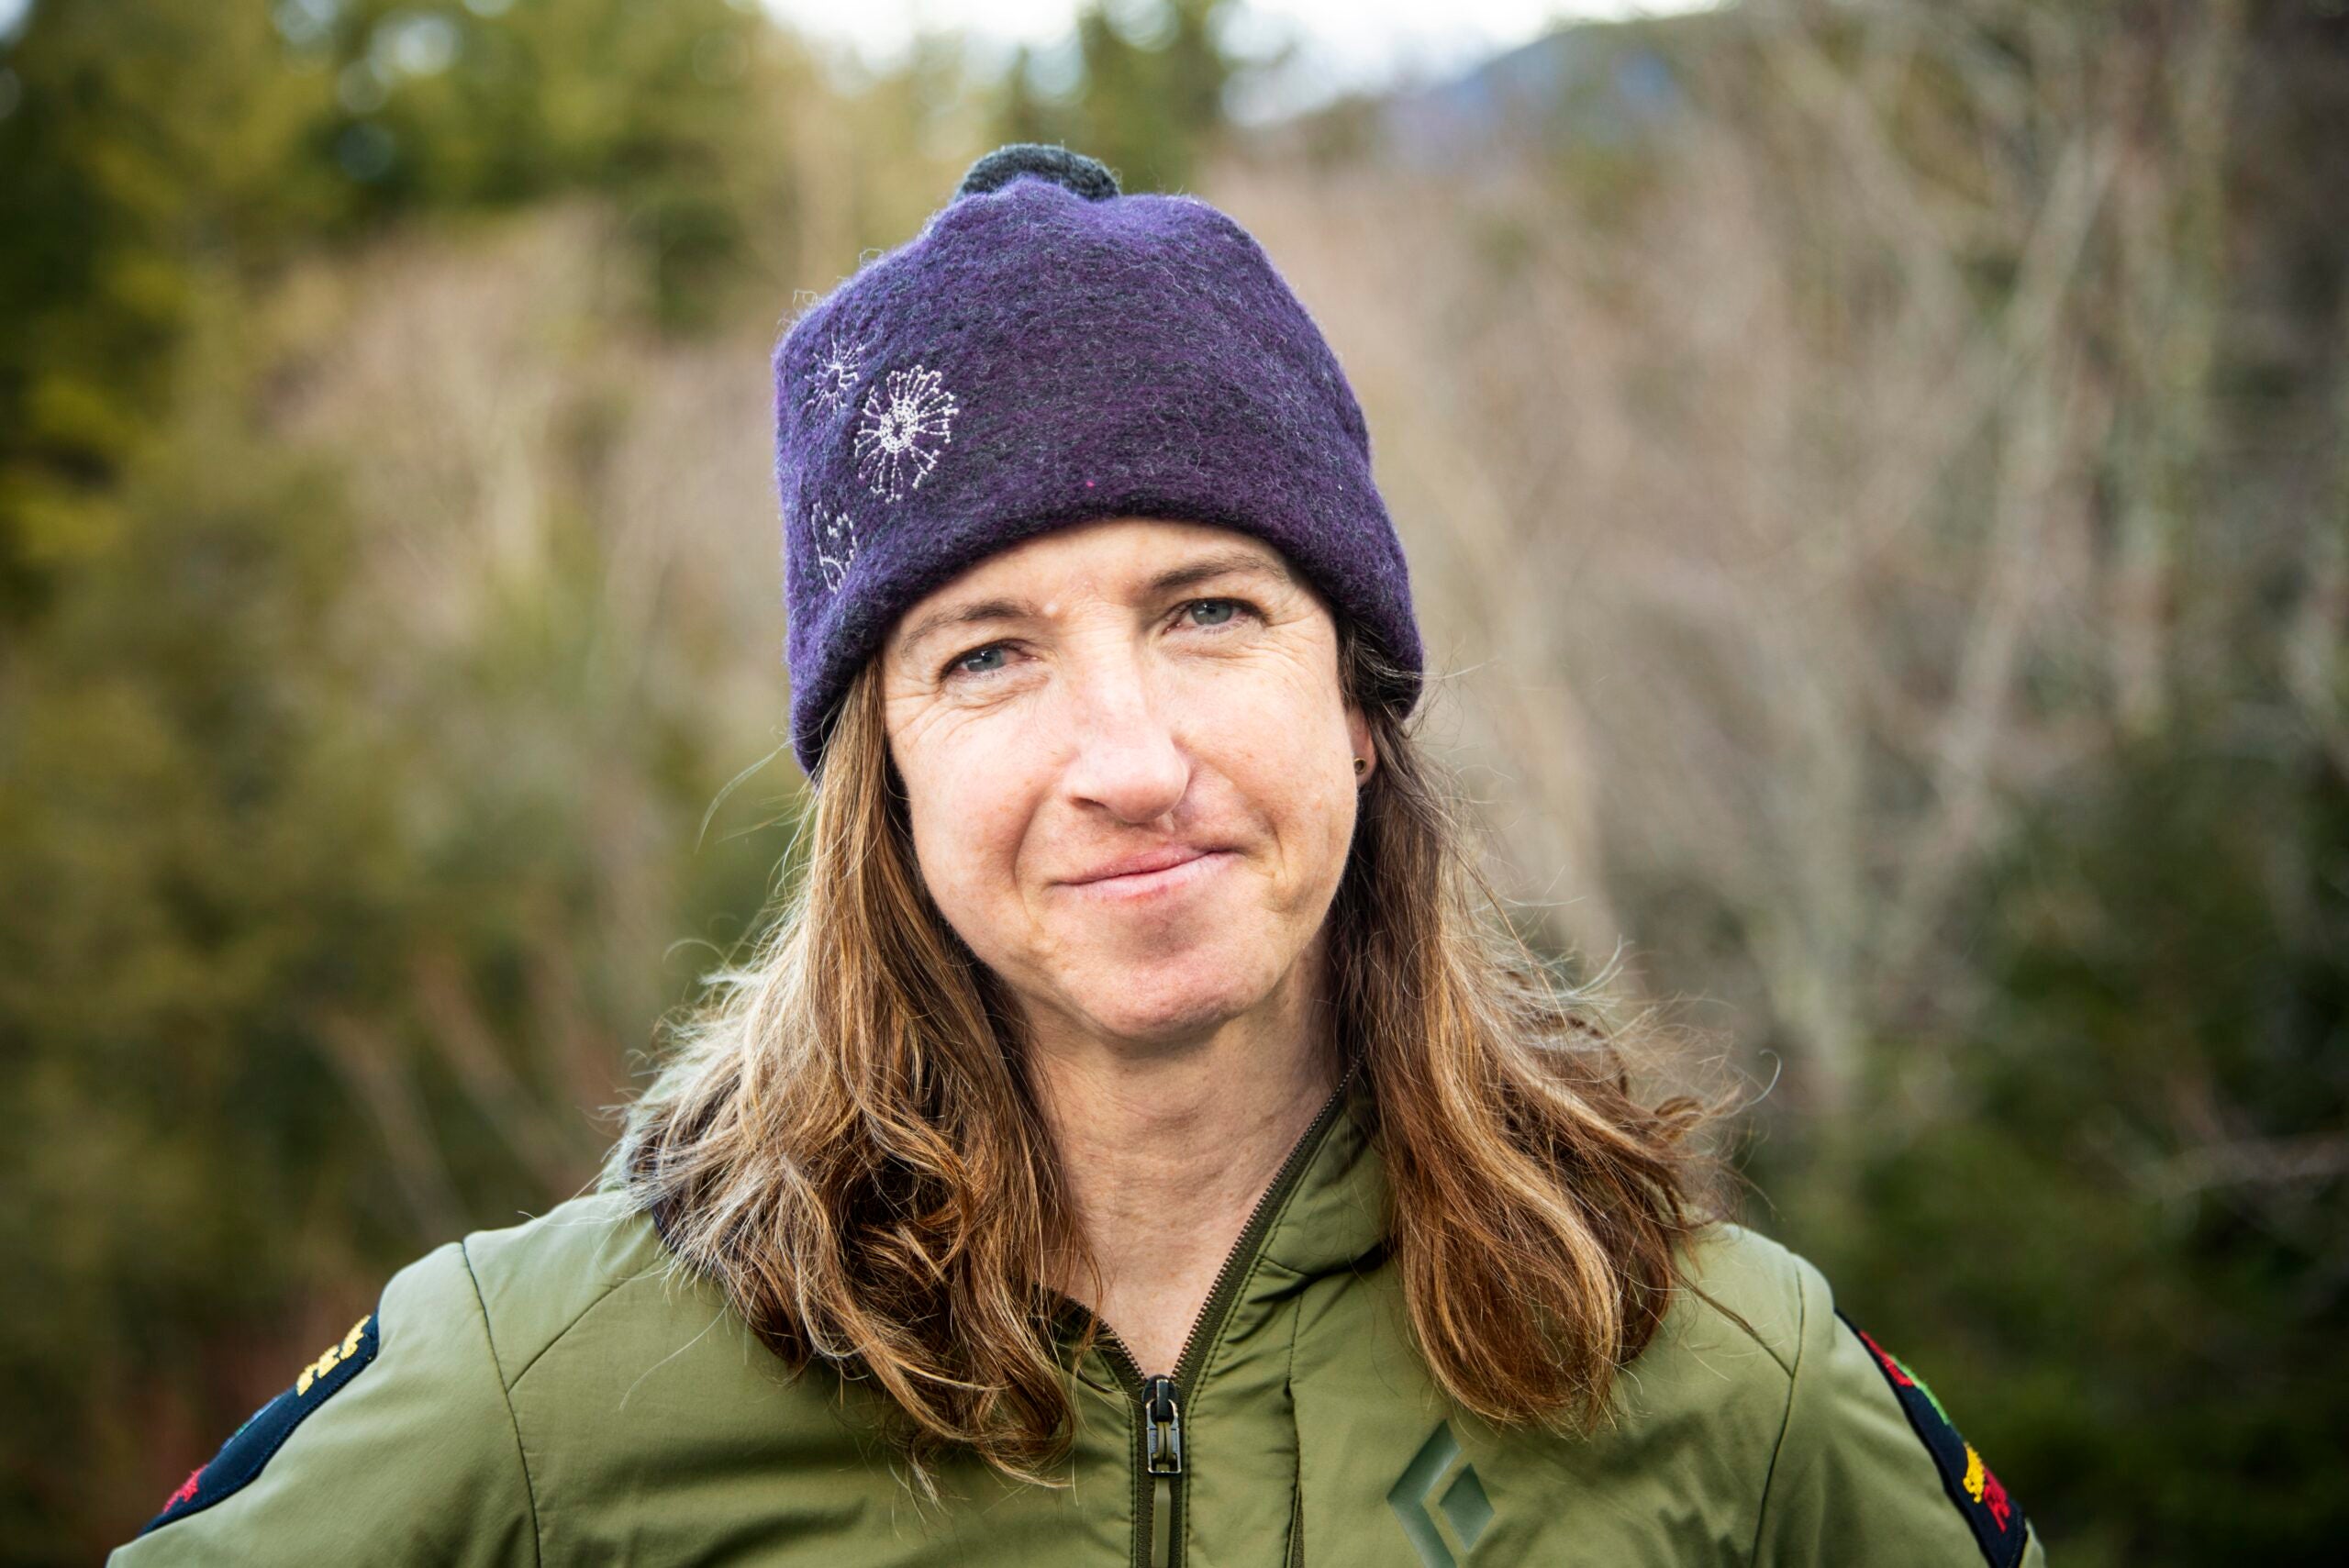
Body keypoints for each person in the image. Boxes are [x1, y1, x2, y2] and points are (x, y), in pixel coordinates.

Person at [109, 143, 2044, 1568]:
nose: (1125, 758)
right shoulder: (546, 1379)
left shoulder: (1714, 1367)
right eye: (987, 654)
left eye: (1207, 612)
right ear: (882, 780)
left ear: (1357, 701)